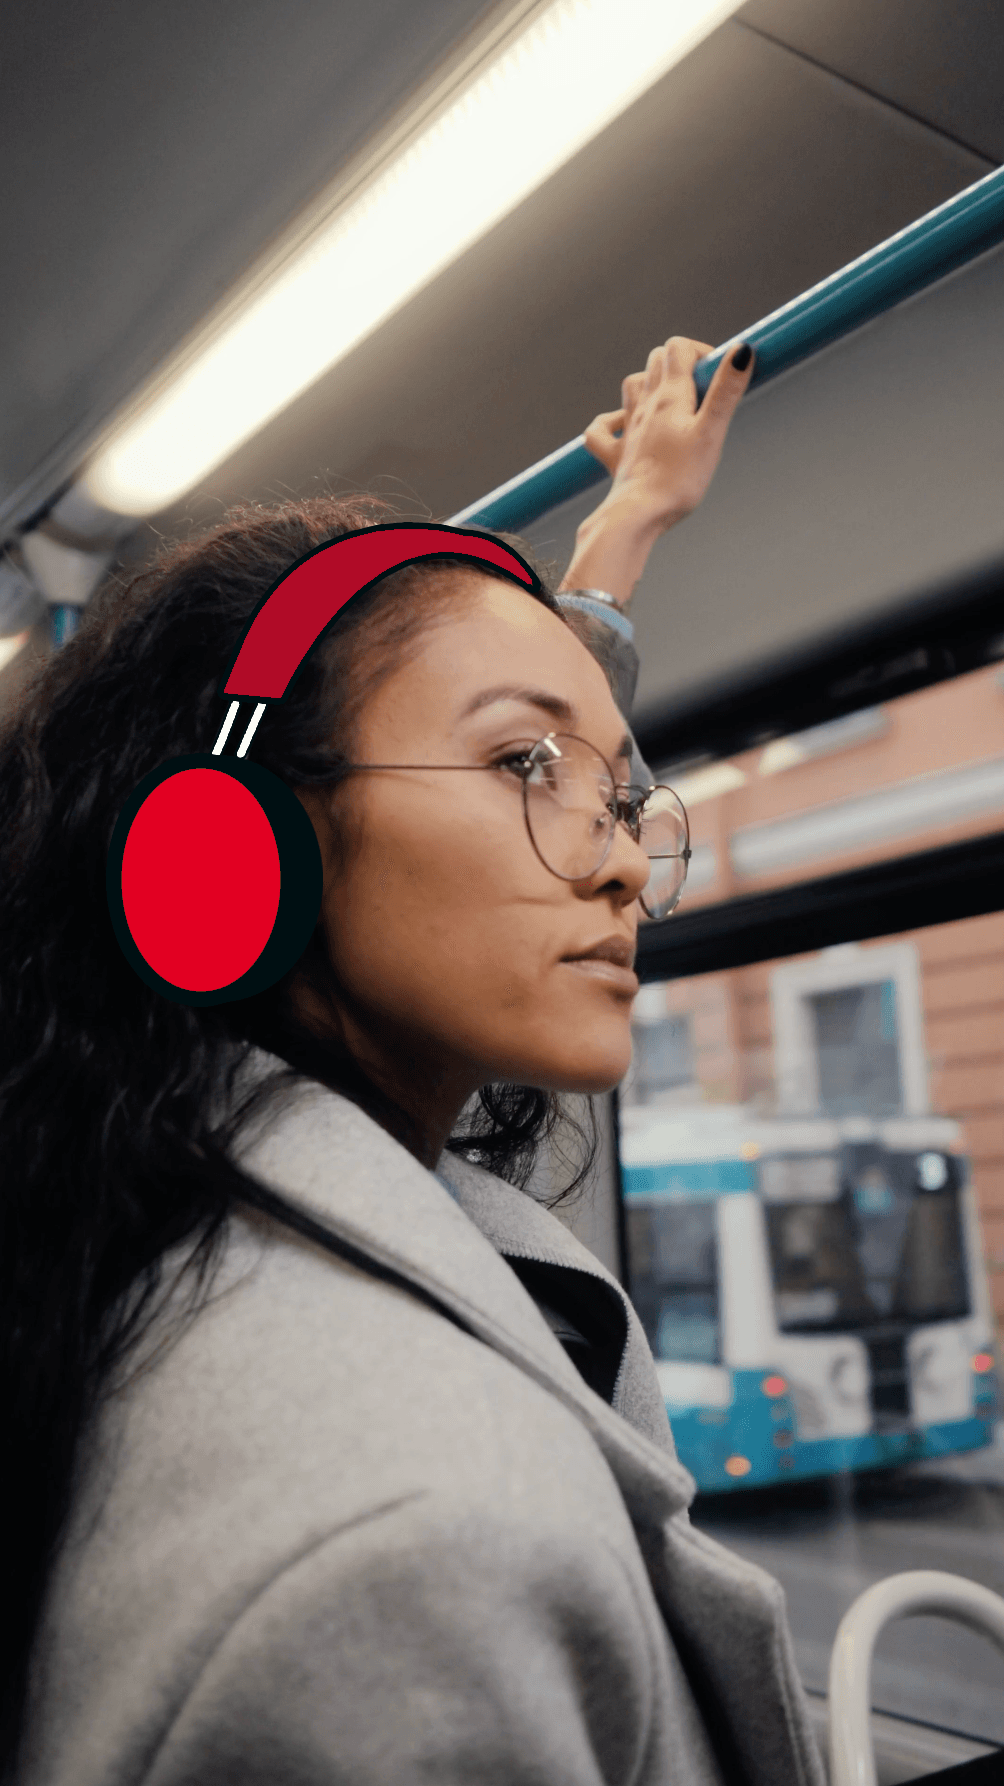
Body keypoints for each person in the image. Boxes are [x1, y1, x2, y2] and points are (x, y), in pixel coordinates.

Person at [1, 335, 826, 1785]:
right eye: (528, 767)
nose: (622, 859)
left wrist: (624, 533)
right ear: (232, 854)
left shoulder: (119, 1178)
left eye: (624, 796)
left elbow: (509, 728)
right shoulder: (422, 1552)